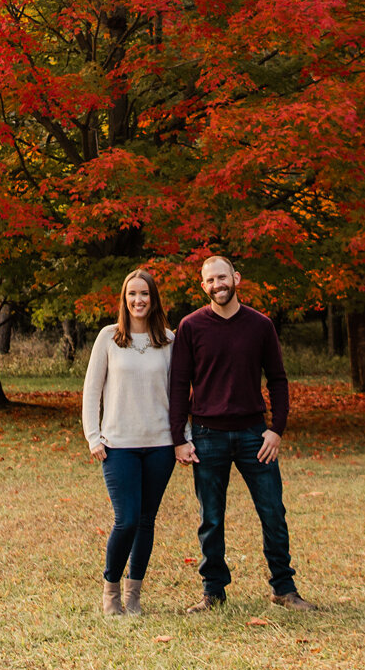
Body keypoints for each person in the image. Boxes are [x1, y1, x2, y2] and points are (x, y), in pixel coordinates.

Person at [169, 253, 317, 613]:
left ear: (236, 278)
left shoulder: (260, 325)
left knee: (272, 512)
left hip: (255, 435)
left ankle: (284, 588)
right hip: (206, 436)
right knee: (211, 518)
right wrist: (178, 439)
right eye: (210, 280)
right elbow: (178, 385)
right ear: (203, 286)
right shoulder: (191, 326)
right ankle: (213, 593)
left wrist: (276, 430)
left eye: (223, 277)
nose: (218, 285)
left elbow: (278, 380)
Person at [81, 268, 178, 616]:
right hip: (118, 445)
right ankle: (111, 594)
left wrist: (184, 437)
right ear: (124, 299)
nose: (138, 300)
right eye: (132, 294)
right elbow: (92, 390)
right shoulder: (109, 337)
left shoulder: (168, 340)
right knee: (126, 520)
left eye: (145, 294)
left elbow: (179, 395)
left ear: (154, 300)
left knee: (147, 520)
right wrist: (93, 435)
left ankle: (134, 595)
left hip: (160, 445)